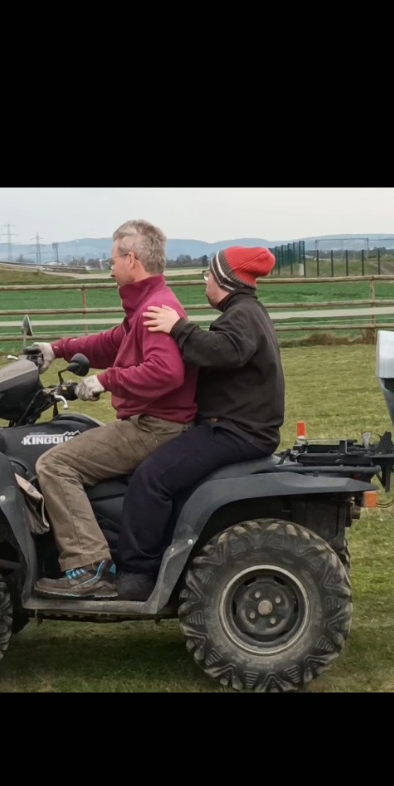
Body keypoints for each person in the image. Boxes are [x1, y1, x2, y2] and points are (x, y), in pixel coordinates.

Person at [31, 221, 199, 597]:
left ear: (131, 259)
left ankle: (89, 567)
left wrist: (106, 381)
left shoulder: (154, 308)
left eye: (113, 260)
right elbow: (112, 344)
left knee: (55, 464)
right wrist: (57, 349)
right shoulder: (146, 304)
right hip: (153, 421)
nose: (110, 269)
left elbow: (167, 372)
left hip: (156, 426)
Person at [113, 246, 285, 600]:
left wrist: (179, 328)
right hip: (240, 427)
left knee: (151, 478)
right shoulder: (247, 311)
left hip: (236, 431)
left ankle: (138, 575)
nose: (205, 281)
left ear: (224, 280)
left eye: (209, 274)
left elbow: (225, 350)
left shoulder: (242, 314)